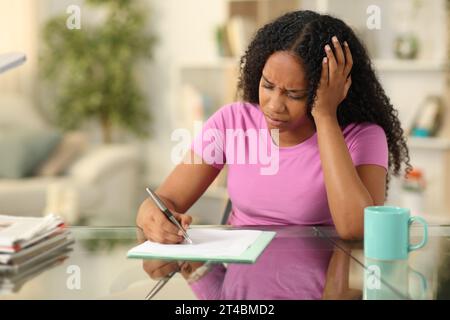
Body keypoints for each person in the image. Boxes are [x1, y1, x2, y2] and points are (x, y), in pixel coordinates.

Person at [136, 10, 410, 242]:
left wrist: (326, 116)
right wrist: (152, 217)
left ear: (330, 88)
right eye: (268, 85)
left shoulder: (363, 137)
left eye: (294, 94)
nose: (274, 105)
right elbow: (164, 199)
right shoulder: (233, 121)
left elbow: (356, 229)